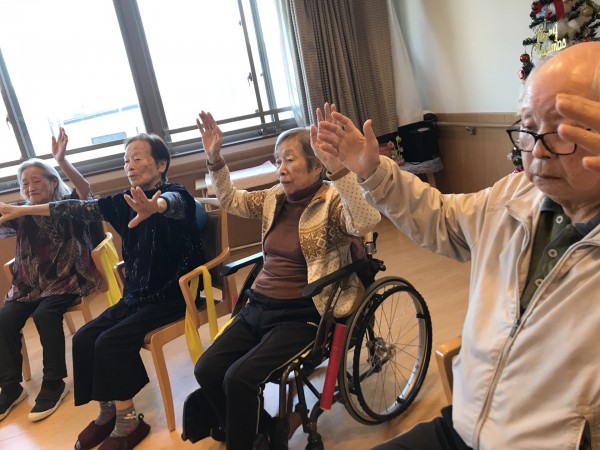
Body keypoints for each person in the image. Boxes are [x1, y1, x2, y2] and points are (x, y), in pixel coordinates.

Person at [315, 41, 600, 450]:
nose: (537, 150)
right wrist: (372, 171)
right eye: (528, 127)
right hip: (462, 428)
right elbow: (442, 218)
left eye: (561, 130)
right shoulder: (514, 196)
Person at [0, 133, 204, 450]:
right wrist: (25, 210)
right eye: (126, 160)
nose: (130, 165)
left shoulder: (177, 194)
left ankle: (129, 420)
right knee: (84, 338)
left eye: (138, 158)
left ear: (161, 164)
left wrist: (157, 205)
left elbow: (176, 205)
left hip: (171, 297)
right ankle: (108, 412)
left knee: (110, 341)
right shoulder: (123, 202)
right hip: (136, 297)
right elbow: (75, 208)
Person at [192, 109, 381, 450]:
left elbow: (366, 221)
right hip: (258, 306)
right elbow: (231, 200)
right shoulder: (274, 198)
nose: (281, 169)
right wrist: (215, 159)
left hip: (303, 312)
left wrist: (340, 171)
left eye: (289, 160)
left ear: (316, 165)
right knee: (207, 368)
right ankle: (265, 433)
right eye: (278, 160)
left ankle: (250, 441)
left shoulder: (331, 202)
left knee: (239, 377)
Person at [0, 127, 101, 423]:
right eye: (24, 183)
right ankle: (10, 386)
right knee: (4, 318)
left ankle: (54, 383)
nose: (30, 187)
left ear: (52, 181)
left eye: (36, 180)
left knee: (45, 314)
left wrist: (62, 161)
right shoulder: (19, 212)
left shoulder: (69, 206)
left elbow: (85, 191)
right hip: (29, 285)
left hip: (67, 279)